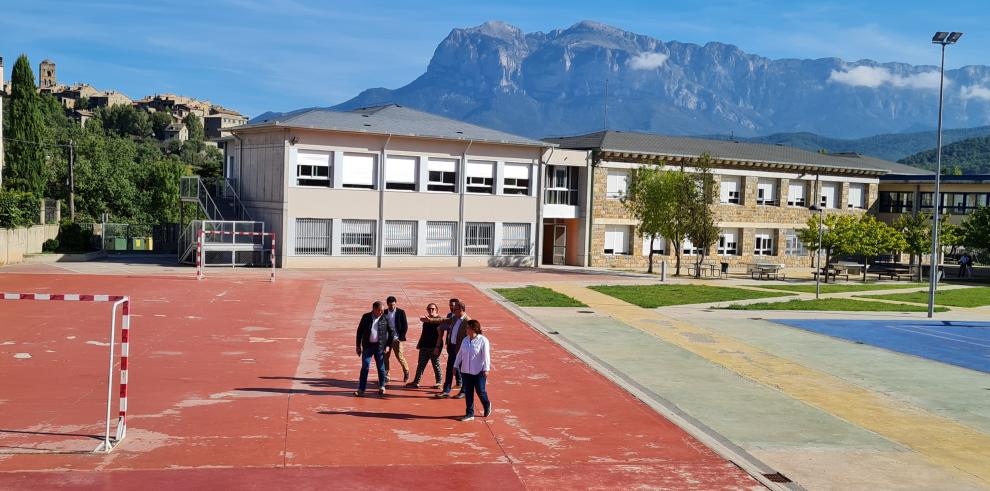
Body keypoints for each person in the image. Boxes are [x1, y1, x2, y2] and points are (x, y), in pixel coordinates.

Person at [354, 300, 396, 397]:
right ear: (374, 309)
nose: (382, 312)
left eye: (382, 310)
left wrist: (388, 345)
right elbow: (359, 331)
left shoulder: (385, 318)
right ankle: (361, 389)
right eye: (380, 310)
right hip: (367, 346)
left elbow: (392, 332)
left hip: (379, 347)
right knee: (365, 366)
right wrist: (357, 346)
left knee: (381, 368)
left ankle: (382, 386)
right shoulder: (366, 317)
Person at [453, 320, 491, 422]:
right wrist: (455, 365)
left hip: (479, 371)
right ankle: (470, 414)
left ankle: (486, 404)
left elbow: (486, 356)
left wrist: (486, 369)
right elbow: (460, 353)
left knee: (480, 391)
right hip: (465, 371)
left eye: (468, 328)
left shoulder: (483, 340)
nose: (466, 329)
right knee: (468, 392)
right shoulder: (465, 339)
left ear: (474, 329)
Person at [435, 300, 469, 399]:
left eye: (455, 309)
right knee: (449, 369)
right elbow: (444, 320)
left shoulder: (468, 321)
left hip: (462, 351)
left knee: (463, 371)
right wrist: (430, 319)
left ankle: (464, 391)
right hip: (452, 348)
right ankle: (446, 390)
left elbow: (475, 337)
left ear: (461, 310)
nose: (453, 310)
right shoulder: (454, 318)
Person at [406, 303, 445, 389]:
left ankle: (439, 382)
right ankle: (416, 382)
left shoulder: (439, 320)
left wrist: (437, 347)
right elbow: (424, 333)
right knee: (420, 365)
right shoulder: (426, 320)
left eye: (433, 309)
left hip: (434, 347)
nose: (431, 310)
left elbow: (440, 335)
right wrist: (420, 344)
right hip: (424, 346)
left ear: (436, 310)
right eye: (429, 309)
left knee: (436, 365)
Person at [383, 296, 410, 383]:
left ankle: (406, 371)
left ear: (396, 303)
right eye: (390, 305)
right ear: (387, 304)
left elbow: (405, 326)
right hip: (386, 339)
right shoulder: (384, 312)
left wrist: (400, 338)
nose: (392, 307)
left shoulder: (401, 312)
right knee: (385, 357)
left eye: (393, 305)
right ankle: (387, 375)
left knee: (400, 356)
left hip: (396, 339)